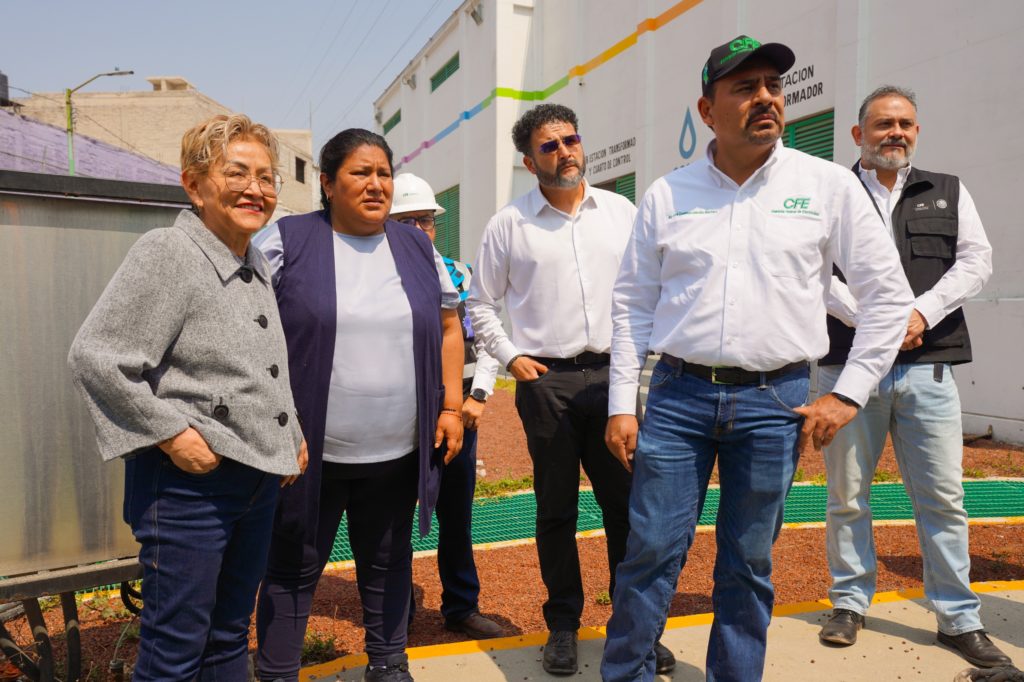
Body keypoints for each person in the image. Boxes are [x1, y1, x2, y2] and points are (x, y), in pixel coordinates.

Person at [600, 36, 914, 682]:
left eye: (773, 85)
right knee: (650, 552)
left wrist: (848, 393)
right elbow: (632, 304)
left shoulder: (826, 186)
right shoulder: (669, 193)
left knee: (748, 562)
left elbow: (887, 299)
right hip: (678, 398)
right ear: (707, 109)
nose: (766, 98)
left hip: (777, 403)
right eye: (745, 88)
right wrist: (621, 404)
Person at [68, 114, 307, 681]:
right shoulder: (170, 251)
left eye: (266, 177)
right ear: (194, 185)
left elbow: (263, 363)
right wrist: (173, 435)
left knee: (228, 639)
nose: (255, 189)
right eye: (237, 173)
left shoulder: (252, 259)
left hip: (255, 479)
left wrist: (290, 432)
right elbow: (97, 356)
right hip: (189, 490)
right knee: (173, 654)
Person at [467, 103, 675, 676]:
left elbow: (651, 287)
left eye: (571, 140)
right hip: (547, 383)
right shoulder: (509, 224)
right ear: (529, 162)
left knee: (626, 509)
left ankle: (635, 628)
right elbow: (480, 303)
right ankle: (563, 624)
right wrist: (511, 357)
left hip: (614, 378)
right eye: (549, 145)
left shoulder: (622, 212)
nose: (564, 152)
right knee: (556, 510)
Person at [253, 129, 465, 682]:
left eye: (384, 173)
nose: (376, 185)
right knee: (293, 567)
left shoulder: (415, 246)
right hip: (309, 455)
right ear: (327, 183)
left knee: (389, 562)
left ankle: (389, 665)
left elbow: (449, 326)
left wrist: (450, 406)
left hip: (396, 451)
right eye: (360, 173)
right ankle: (277, 672)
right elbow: (245, 329)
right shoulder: (287, 241)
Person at [816, 86, 1011, 669]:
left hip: (929, 366)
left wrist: (921, 313)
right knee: (846, 495)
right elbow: (813, 269)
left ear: (917, 132)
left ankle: (958, 618)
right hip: (849, 369)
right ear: (859, 134)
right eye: (883, 124)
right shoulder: (831, 191)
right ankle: (849, 603)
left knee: (943, 497)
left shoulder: (947, 190)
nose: (895, 133)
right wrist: (876, 321)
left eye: (905, 124)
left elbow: (975, 261)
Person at [389, 172, 505, 640]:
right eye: (407, 221)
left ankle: (461, 606)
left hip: (457, 412)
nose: (419, 229)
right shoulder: (378, 278)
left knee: (457, 515)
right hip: (399, 413)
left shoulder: (460, 274)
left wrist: (478, 396)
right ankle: (395, 613)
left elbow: (487, 339)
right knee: (393, 516)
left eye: (426, 220)